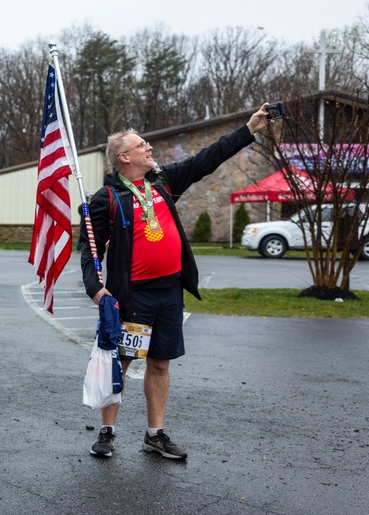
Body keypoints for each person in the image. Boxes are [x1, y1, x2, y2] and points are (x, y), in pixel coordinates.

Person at [81, 104, 271, 460]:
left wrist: (249, 129)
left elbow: (205, 160)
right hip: (132, 296)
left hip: (169, 292)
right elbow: (89, 250)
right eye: (142, 145)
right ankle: (107, 432)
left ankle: (155, 435)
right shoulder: (106, 198)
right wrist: (97, 289)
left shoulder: (164, 181)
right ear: (124, 157)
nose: (149, 147)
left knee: (160, 363)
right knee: (121, 361)